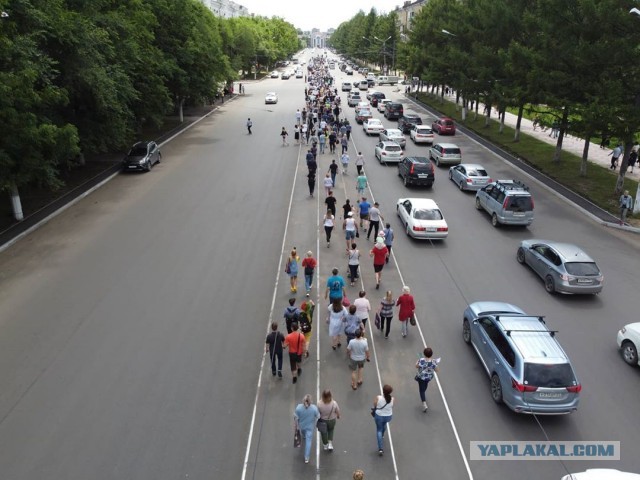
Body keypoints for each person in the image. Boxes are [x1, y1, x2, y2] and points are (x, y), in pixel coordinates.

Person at [294, 394, 320, 464]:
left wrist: (296, 426)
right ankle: (306, 457)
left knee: (303, 433)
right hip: (309, 428)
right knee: (308, 442)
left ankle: (304, 436)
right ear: (310, 401)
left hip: (302, 426)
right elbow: (318, 416)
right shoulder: (314, 408)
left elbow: (296, 417)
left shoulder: (298, 407)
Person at [372, 385, 394, 456]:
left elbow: (374, 405)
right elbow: (392, 406)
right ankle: (383, 434)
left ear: (383, 391)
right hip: (388, 416)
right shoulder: (392, 399)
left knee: (379, 430)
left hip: (379, 416)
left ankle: (380, 448)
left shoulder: (378, 397)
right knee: (384, 424)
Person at [415, 347, 440, 412]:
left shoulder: (421, 360)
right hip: (429, 377)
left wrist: (417, 362)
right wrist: (435, 365)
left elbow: (416, 366)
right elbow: (437, 370)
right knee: (425, 386)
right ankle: (424, 393)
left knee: (421, 391)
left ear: (424, 354)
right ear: (431, 354)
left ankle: (424, 404)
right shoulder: (434, 362)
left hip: (421, 377)